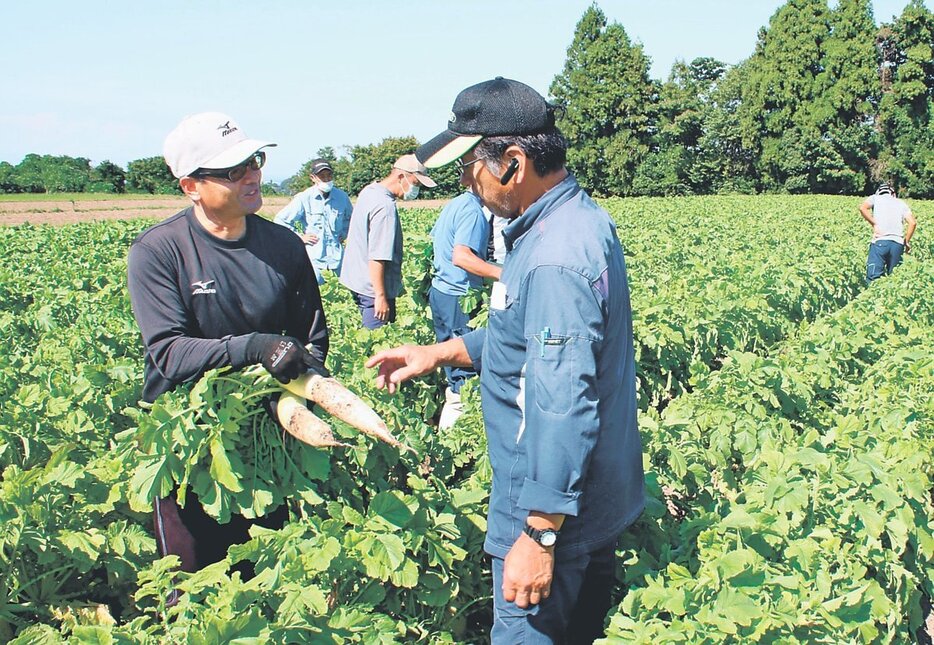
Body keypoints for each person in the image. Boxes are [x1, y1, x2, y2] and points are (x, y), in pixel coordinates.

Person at [366, 78, 645, 644]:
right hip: (586, 491)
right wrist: (440, 351)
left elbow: (562, 399)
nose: (467, 183)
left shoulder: (552, 258)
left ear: (512, 162)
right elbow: (521, 336)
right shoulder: (564, 225)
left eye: (471, 166)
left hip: (548, 503)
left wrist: (538, 535)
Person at [127, 112, 329, 595]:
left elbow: (314, 338)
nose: (252, 176)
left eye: (254, 162)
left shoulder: (283, 246)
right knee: (193, 591)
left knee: (268, 582)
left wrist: (303, 387)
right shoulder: (159, 252)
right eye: (233, 170)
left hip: (267, 439)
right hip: (190, 445)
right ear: (190, 186)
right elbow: (170, 354)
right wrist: (257, 347)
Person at [429, 188, 502, 429]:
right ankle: (456, 437)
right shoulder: (473, 212)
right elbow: (462, 257)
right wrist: (506, 274)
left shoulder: (455, 203)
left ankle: (448, 433)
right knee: (465, 371)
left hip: (441, 292)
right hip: (459, 297)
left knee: (452, 365)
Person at [339, 154, 436, 329]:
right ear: (401, 177)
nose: (416, 189)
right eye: (416, 183)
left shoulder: (369, 191)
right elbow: (377, 256)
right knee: (378, 343)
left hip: (358, 281)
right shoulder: (385, 207)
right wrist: (381, 297)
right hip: (373, 290)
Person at [274, 158, 353, 285]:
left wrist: (344, 233)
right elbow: (281, 220)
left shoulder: (342, 197)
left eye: (329, 176)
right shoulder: (304, 198)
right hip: (314, 259)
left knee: (342, 294)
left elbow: (350, 219)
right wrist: (299, 237)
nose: (327, 179)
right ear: (313, 178)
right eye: (322, 176)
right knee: (315, 295)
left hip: (337, 259)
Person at [859, 183, 916, 282]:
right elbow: (913, 223)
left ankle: (873, 296)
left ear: (878, 192)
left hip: (880, 241)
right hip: (897, 243)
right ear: (893, 194)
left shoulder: (875, 198)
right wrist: (906, 241)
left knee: (873, 278)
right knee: (895, 279)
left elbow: (862, 208)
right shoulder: (901, 203)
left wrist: (874, 224)